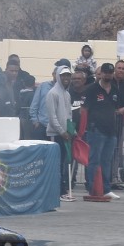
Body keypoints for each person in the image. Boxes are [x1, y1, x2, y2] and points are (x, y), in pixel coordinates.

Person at [82, 63, 124, 200]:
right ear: (100, 73)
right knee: (94, 160)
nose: (108, 75)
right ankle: (92, 189)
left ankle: (106, 188)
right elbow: (84, 110)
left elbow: (120, 105)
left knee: (106, 161)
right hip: (95, 130)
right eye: (105, 72)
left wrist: (123, 109)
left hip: (110, 130)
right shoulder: (91, 89)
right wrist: (83, 128)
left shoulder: (114, 90)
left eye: (110, 72)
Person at [45, 65, 75, 202]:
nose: (66, 78)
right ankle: (55, 190)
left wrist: (70, 129)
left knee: (64, 162)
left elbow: (68, 114)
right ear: (58, 76)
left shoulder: (67, 94)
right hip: (55, 134)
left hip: (65, 134)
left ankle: (62, 189)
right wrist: (61, 131)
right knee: (55, 163)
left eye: (68, 75)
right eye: (63, 75)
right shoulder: (53, 93)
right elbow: (52, 117)